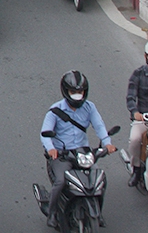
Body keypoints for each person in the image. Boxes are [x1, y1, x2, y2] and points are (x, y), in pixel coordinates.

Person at [40, 71, 117, 228]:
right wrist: (51, 149)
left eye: (80, 92)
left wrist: (107, 143)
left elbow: (99, 126)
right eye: (73, 92)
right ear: (66, 91)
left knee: (99, 179)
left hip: (83, 153)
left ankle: (98, 213)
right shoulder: (55, 111)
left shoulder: (90, 108)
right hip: (62, 155)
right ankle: (53, 214)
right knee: (60, 181)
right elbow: (45, 134)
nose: (77, 95)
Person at [126, 40, 148, 188]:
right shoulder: (137, 74)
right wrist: (135, 112)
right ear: (145, 56)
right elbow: (130, 97)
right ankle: (136, 169)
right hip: (144, 118)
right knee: (135, 139)